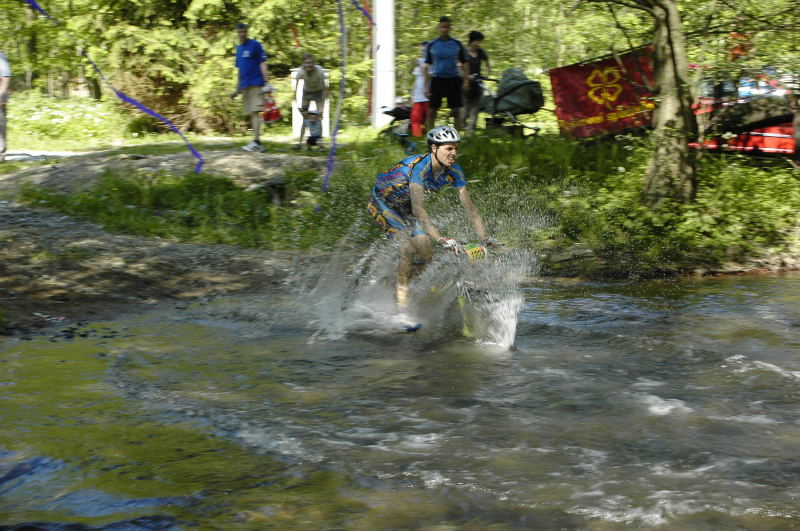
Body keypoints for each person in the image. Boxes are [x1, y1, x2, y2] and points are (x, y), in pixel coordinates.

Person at [367, 125, 495, 311]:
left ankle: (398, 281)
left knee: (426, 253)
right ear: (434, 148)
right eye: (449, 148)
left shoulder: (454, 171)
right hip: (383, 203)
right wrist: (442, 239)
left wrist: (485, 237)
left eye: (456, 148)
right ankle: (401, 309)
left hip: (406, 205)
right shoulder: (419, 168)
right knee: (408, 249)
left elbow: (471, 209)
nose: (454, 153)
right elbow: (419, 210)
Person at [424, 16, 469, 132]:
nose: (445, 29)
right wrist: (426, 86)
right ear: (438, 28)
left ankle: (457, 136)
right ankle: (430, 136)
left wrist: (466, 81)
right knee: (432, 110)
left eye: (447, 27)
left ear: (450, 28)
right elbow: (426, 66)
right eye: (443, 27)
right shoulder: (432, 45)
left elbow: (465, 64)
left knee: (456, 111)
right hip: (437, 80)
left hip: (453, 80)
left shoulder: (457, 44)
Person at [230, 23, 270, 153]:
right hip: (245, 85)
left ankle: (257, 142)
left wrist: (266, 82)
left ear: (247, 32)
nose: (242, 34)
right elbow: (240, 70)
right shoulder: (239, 49)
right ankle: (255, 141)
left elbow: (262, 63)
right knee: (251, 113)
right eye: (239, 32)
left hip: (256, 83)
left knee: (255, 113)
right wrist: (237, 89)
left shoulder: (255, 45)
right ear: (237, 33)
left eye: (244, 31)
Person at [293, 53, 328, 149]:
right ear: (303, 64)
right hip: (307, 93)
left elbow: (326, 89)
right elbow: (295, 91)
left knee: (319, 118)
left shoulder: (320, 72)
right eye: (306, 63)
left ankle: (320, 144)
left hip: (318, 92)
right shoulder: (300, 72)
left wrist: (322, 107)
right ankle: (300, 143)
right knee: (305, 119)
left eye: (311, 62)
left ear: (314, 63)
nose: (308, 65)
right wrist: (299, 107)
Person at [464, 31, 491, 134]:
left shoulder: (481, 52)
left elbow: (487, 63)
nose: (479, 43)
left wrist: (487, 75)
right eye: (477, 41)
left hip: (478, 84)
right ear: (472, 41)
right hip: (466, 85)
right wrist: (466, 77)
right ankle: (463, 128)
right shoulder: (465, 52)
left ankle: (470, 134)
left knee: (475, 111)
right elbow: (459, 66)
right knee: (463, 113)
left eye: (480, 41)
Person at [410, 41, 429, 138]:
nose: (423, 52)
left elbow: (428, 75)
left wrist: (420, 64)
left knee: (428, 119)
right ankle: (417, 137)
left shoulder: (431, 62)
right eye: (421, 50)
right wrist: (412, 94)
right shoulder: (419, 62)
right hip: (418, 96)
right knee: (415, 118)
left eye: (425, 50)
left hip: (428, 95)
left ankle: (430, 138)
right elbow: (416, 79)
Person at [0, 51, 10, 163]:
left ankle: (0, 154)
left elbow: (6, 75)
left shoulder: (0, 57)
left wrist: (2, 93)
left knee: (0, 125)